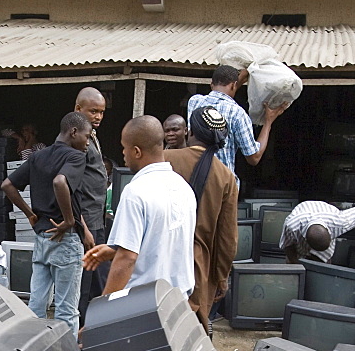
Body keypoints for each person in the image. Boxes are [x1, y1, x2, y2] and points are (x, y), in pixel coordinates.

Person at [83, 116, 195, 298]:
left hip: (143, 305)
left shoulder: (136, 192)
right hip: (177, 301)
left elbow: (127, 259)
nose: (123, 154)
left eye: (124, 148)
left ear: (136, 151)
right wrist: (114, 249)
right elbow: (160, 241)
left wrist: (101, 311)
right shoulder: (184, 187)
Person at [2, 111, 93, 336]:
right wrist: (69, 221)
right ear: (73, 132)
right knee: (66, 311)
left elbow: (7, 185)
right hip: (64, 238)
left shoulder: (38, 156)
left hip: (42, 238)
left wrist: (30, 214)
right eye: (87, 136)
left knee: (36, 305)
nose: (88, 142)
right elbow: (60, 182)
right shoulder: (75, 157)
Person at [165, 106, 239, 333]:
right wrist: (221, 277)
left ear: (189, 132)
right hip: (198, 269)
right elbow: (227, 239)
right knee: (189, 337)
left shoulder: (164, 158)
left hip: (161, 257)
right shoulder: (226, 176)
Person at [186, 65, 287, 180]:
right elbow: (254, 157)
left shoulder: (194, 101)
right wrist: (268, 122)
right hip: (223, 184)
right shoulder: (238, 113)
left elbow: (220, 95)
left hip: (194, 179)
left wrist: (236, 82)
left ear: (211, 84)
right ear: (234, 85)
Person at [73, 87, 110, 324]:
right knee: (84, 285)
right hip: (86, 221)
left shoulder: (91, 135)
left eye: (101, 112)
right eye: (93, 111)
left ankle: (97, 325)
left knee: (100, 279)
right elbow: (70, 187)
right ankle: (82, 330)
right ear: (78, 109)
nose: (98, 117)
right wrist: (84, 227)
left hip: (97, 218)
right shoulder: (76, 140)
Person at [280, 200, 355, 264]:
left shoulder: (339, 221)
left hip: (324, 214)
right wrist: (296, 264)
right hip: (302, 216)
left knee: (323, 265)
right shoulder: (291, 225)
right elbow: (287, 246)